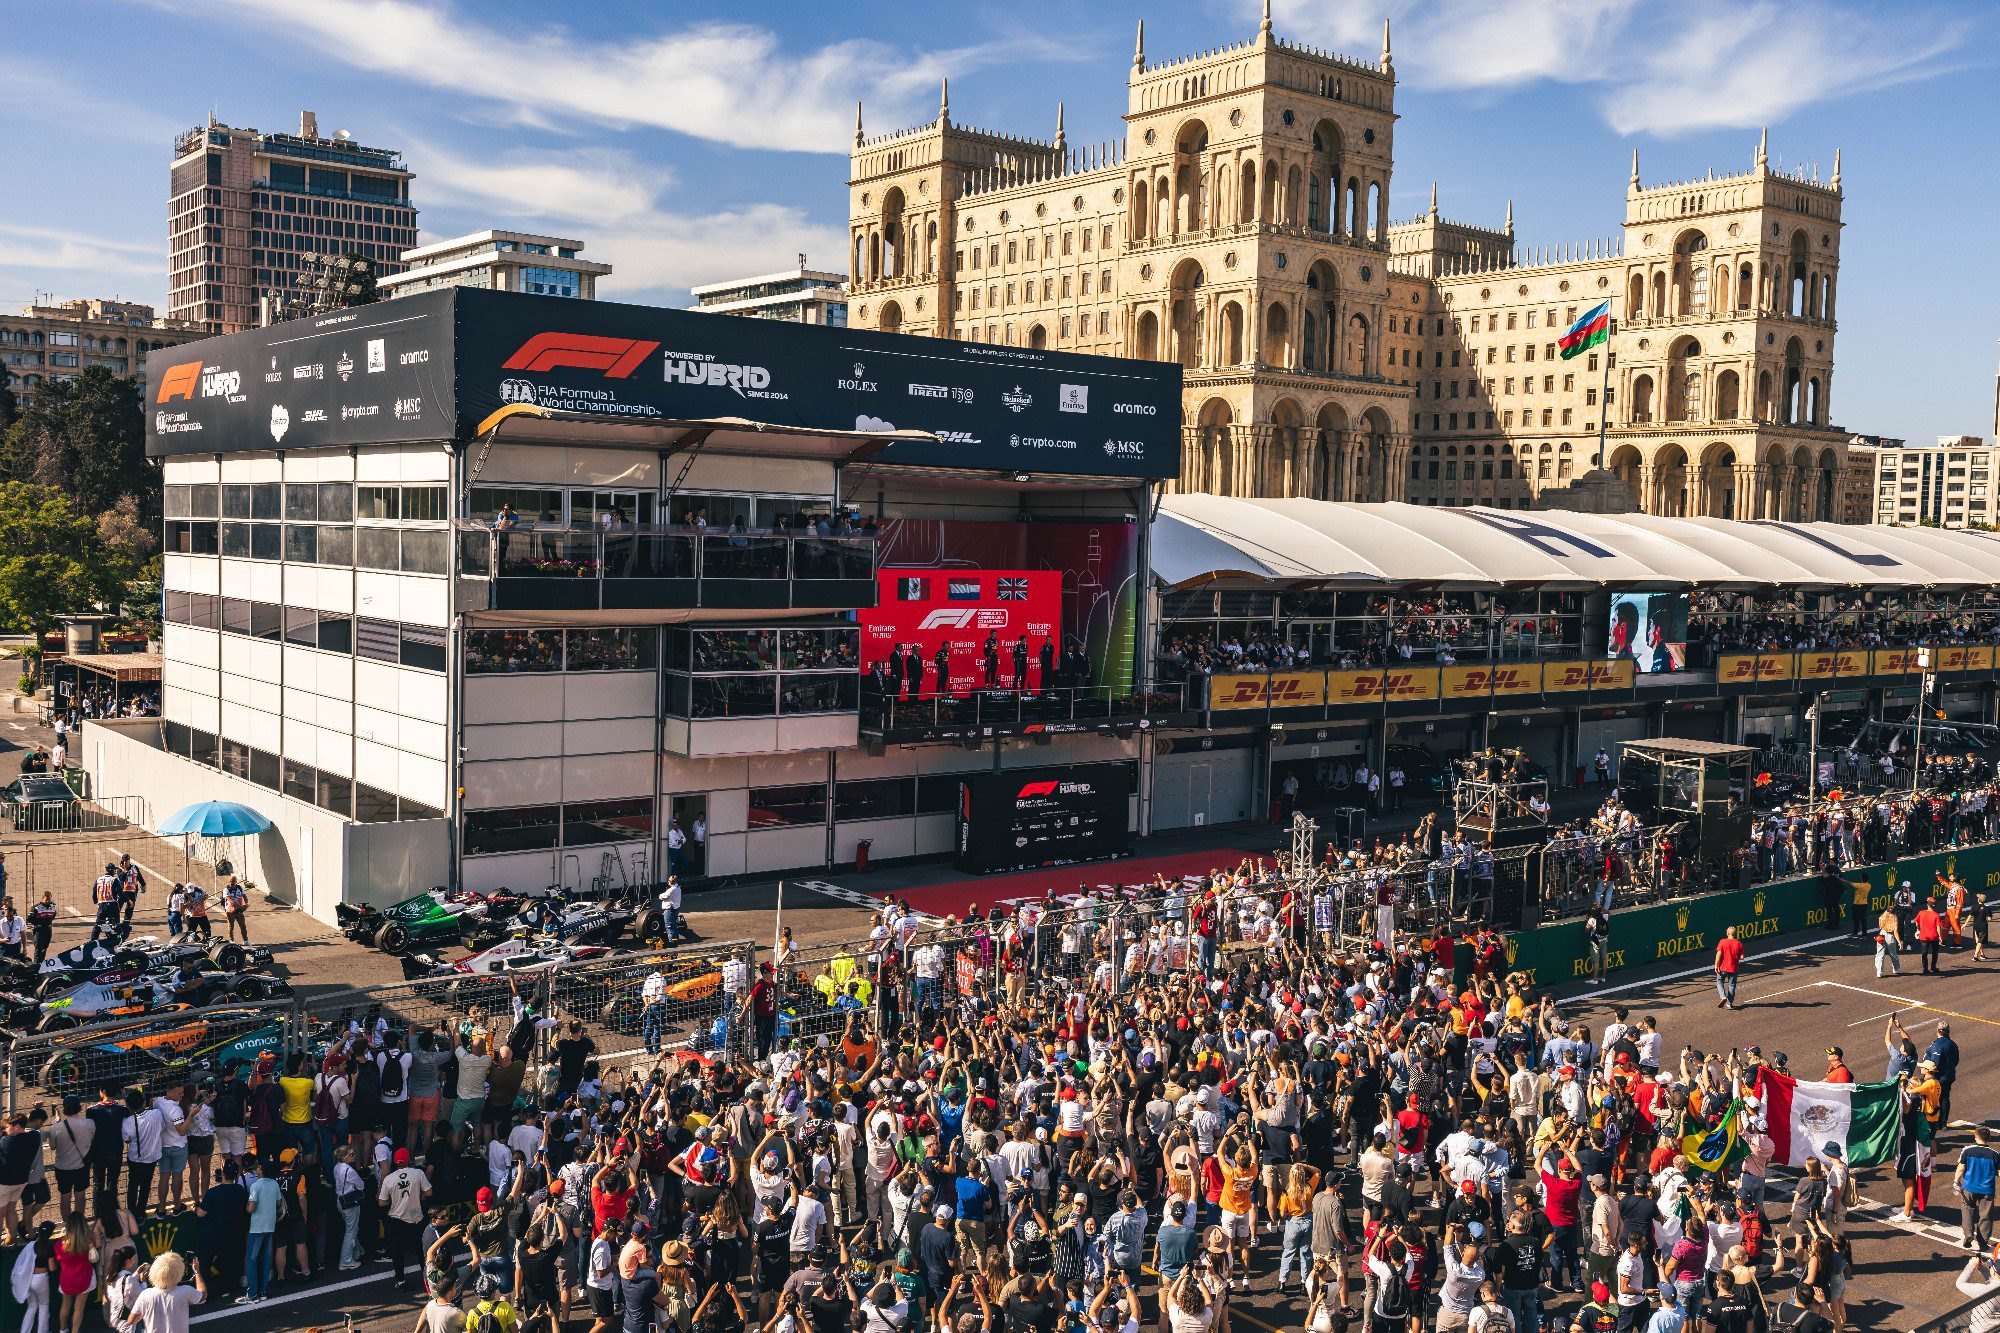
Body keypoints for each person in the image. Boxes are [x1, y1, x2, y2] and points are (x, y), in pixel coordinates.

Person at [124, 1251, 206, 1333]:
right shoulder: (185, 1291)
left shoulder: (145, 1294)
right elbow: (203, 1294)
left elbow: (132, 1320)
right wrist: (196, 1271)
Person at [1713, 925, 1744, 1009]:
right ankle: (1729, 1003)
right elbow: (1742, 957)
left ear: (1727, 933)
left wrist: (1716, 965)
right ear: (1735, 934)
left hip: (1723, 967)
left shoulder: (1722, 942)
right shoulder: (1739, 943)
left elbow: (1718, 955)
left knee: (1719, 982)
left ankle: (1723, 996)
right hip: (1734, 968)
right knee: (1732, 986)